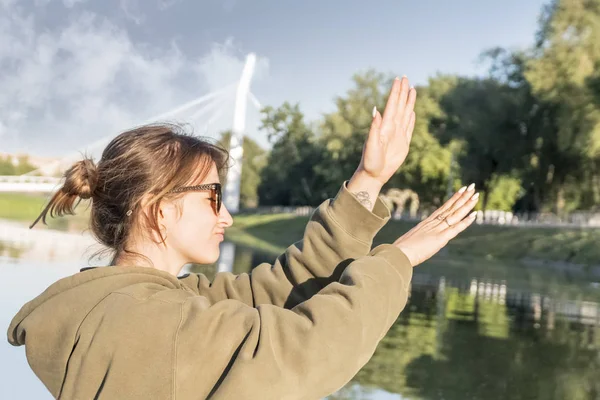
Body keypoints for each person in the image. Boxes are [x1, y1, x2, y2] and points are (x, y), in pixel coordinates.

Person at [7, 77, 479, 400]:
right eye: (214, 197)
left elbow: (275, 291)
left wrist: (368, 179)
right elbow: (304, 351)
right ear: (160, 209)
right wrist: (398, 259)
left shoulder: (144, 301)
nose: (228, 216)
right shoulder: (145, 323)